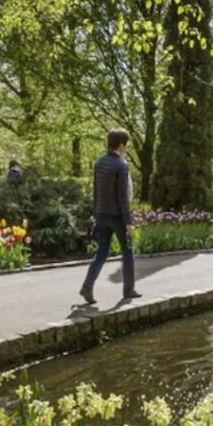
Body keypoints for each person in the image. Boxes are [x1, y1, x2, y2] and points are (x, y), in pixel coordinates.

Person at [80, 127, 139, 304]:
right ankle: (128, 290)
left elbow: (96, 191)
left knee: (101, 253)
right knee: (128, 253)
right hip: (118, 217)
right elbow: (123, 197)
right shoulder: (121, 165)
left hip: (102, 214)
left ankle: (87, 287)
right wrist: (128, 222)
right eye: (126, 144)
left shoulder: (99, 163)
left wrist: (95, 214)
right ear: (121, 145)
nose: (126, 147)